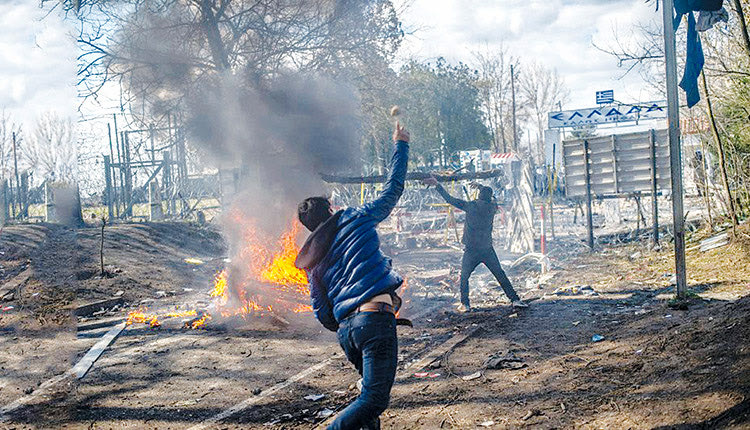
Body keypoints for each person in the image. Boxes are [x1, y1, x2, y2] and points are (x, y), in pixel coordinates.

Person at [294, 123, 410, 430]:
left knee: (368, 408)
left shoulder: (312, 261)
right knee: (374, 400)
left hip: (348, 331)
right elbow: (393, 188)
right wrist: (401, 145)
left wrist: (347, 322)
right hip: (374, 321)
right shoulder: (356, 218)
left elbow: (322, 312)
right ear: (331, 209)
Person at [422, 176, 526, 312]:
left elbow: (449, 199)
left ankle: (465, 304)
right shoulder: (492, 208)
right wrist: (480, 186)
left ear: (479, 197)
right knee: (500, 274)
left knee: (464, 277)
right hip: (487, 249)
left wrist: (437, 185)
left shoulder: (470, 206)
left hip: (471, 250)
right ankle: (515, 300)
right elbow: (491, 198)